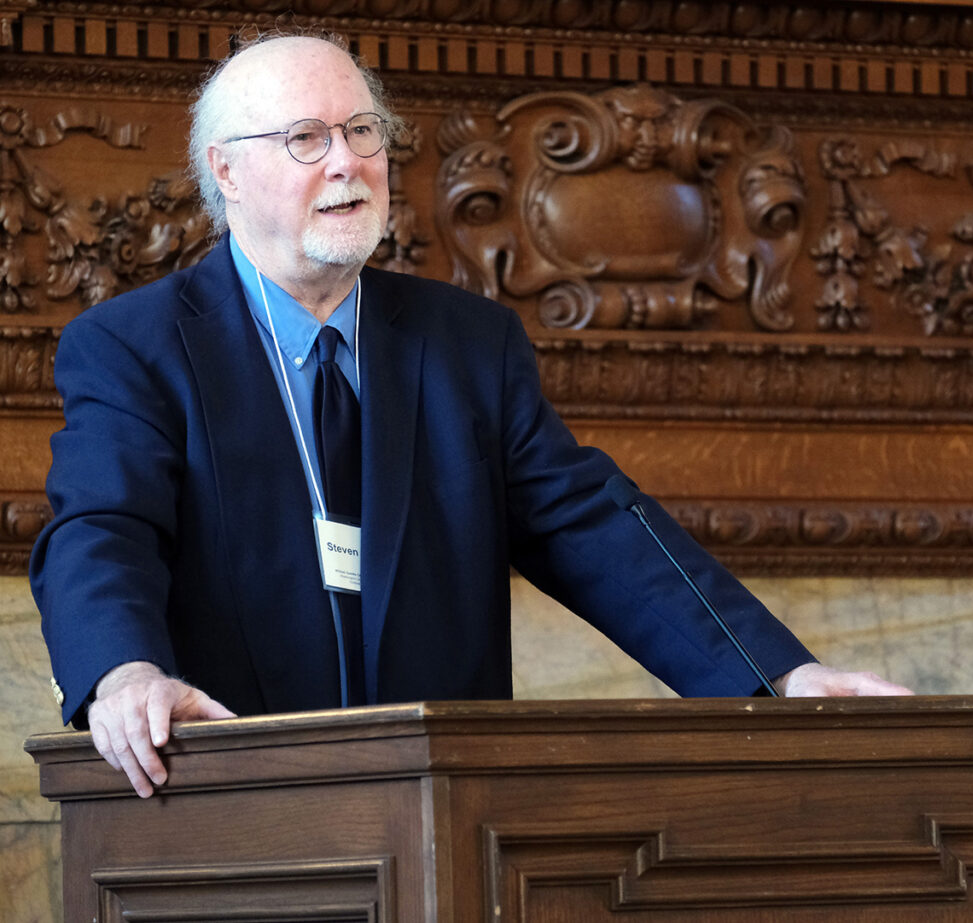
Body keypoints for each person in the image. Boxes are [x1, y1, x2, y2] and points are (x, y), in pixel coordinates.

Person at [30, 32, 911, 799]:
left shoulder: (466, 344)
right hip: (229, 799)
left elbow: (595, 526)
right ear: (225, 168)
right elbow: (101, 529)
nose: (346, 162)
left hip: (443, 813)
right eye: (306, 139)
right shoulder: (134, 345)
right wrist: (124, 673)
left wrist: (781, 675)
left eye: (362, 131)